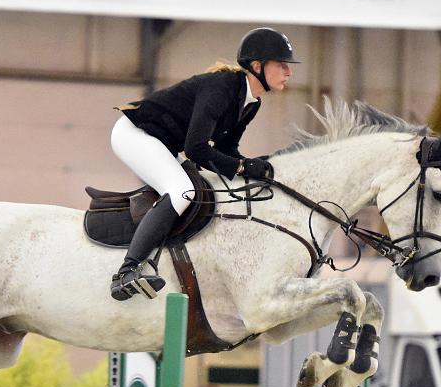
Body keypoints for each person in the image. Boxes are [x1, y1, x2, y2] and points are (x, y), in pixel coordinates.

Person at [109, 27, 299, 301]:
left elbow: (226, 149)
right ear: (257, 66)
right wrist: (243, 167)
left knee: (201, 191)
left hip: (161, 142)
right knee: (182, 191)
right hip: (135, 133)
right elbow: (196, 149)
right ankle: (126, 272)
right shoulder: (221, 87)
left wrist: (254, 166)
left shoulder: (251, 102)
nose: (288, 72)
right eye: (282, 65)